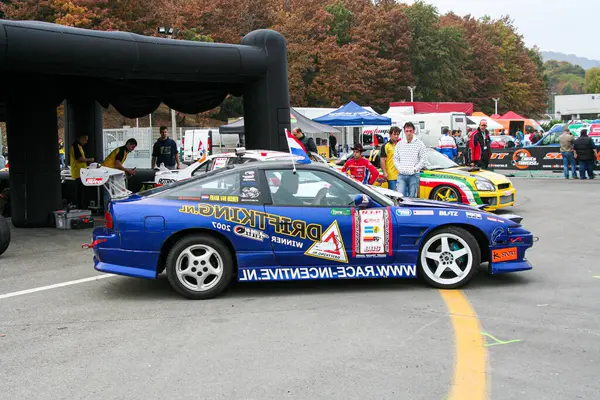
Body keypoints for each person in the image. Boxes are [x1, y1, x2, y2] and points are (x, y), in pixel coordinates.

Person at [393, 122, 427, 198]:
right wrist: (399, 168)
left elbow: (423, 159)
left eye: (410, 131)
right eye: (407, 131)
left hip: (414, 175)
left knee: (412, 198)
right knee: (399, 197)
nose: (408, 133)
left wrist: (415, 169)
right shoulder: (399, 144)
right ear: (404, 131)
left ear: (414, 131)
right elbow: (395, 158)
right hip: (402, 174)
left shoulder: (420, 144)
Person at [102, 138, 138, 209]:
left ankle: (109, 209)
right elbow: (117, 165)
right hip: (106, 172)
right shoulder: (121, 151)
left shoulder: (124, 151)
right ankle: (107, 210)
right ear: (128, 144)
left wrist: (126, 171)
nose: (133, 149)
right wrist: (127, 171)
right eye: (132, 147)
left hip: (109, 172)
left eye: (134, 147)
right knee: (108, 192)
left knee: (110, 192)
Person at [70, 134, 95, 209]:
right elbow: (79, 158)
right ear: (81, 138)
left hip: (81, 171)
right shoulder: (76, 146)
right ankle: (80, 207)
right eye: (85, 140)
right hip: (78, 171)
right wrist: (89, 160)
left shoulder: (78, 146)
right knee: (80, 191)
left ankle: (81, 207)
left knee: (81, 191)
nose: (86, 142)